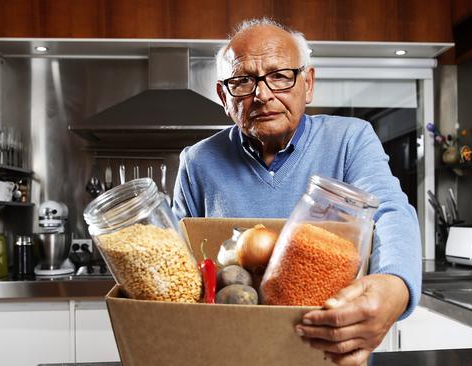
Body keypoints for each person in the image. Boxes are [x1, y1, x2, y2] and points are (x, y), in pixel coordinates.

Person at [172, 18, 421, 366]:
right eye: (243, 81)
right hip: (229, 350)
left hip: (326, 347)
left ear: (308, 83)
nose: (262, 94)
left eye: (280, 76)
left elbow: (390, 210)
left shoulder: (350, 139)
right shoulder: (197, 161)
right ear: (223, 95)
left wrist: (395, 285)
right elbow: (179, 258)